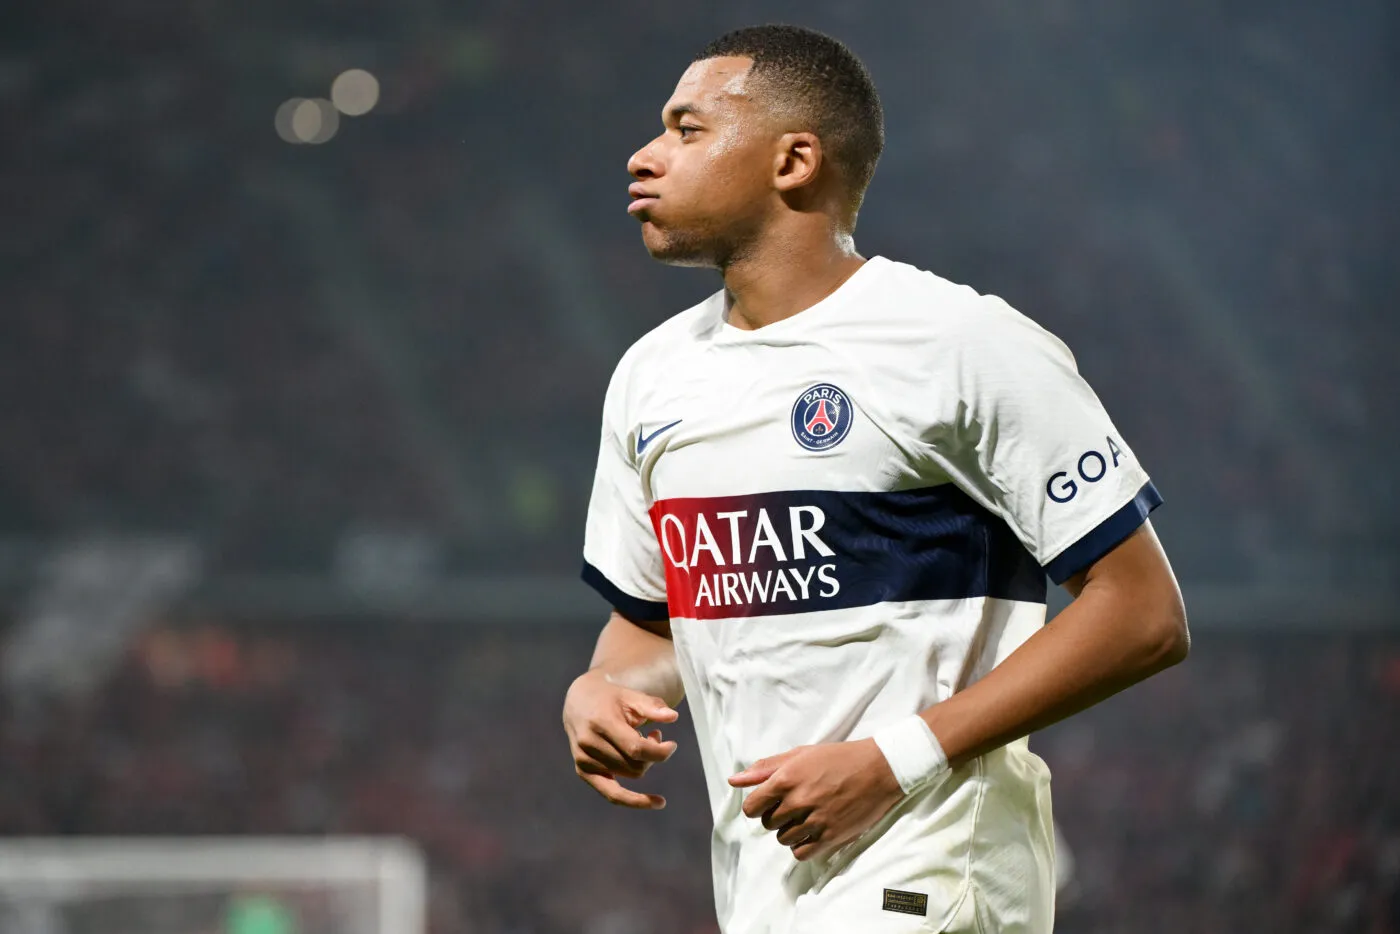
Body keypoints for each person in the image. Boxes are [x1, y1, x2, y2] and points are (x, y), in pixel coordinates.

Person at [561, 23, 1189, 934]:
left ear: (795, 160)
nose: (645, 154)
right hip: (764, 887)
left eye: (688, 130)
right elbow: (649, 629)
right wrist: (599, 688)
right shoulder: (652, 376)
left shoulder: (961, 344)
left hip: (929, 870)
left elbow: (1141, 612)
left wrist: (893, 761)